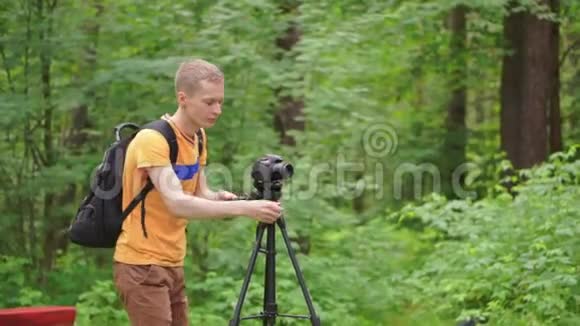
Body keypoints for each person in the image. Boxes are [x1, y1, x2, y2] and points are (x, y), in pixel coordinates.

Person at [113, 58, 282, 326]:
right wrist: (245, 209)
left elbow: (199, 194)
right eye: (209, 102)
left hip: (173, 261)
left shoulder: (198, 137)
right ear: (183, 98)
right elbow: (177, 203)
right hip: (141, 264)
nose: (217, 109)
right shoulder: (152, 140)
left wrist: (225, 198)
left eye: (220, 101)